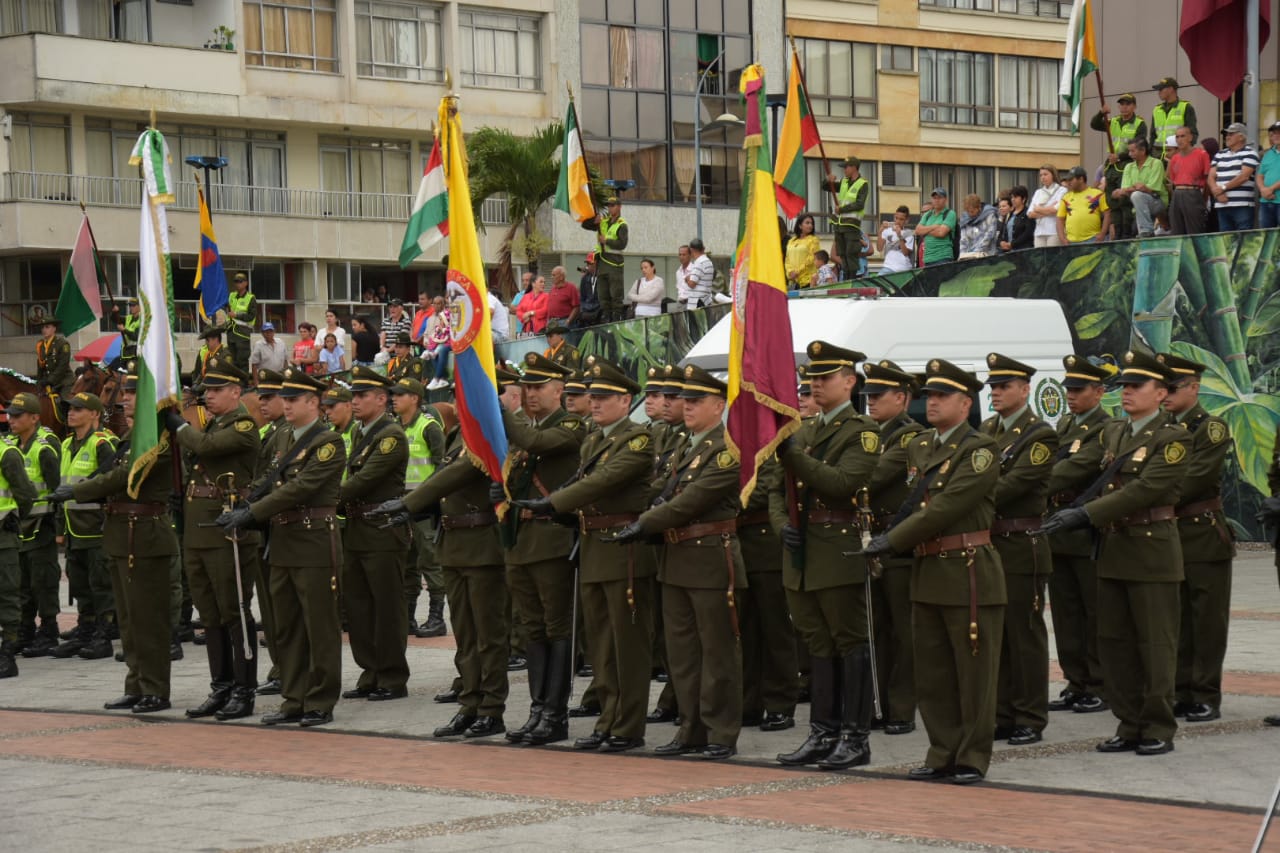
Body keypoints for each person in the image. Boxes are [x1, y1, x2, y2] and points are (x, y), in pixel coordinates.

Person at [863, 359, 1003, 785]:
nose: (933, 403)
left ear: (966, 403)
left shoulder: (980, 450)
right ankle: (941, 751)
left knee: (972, 671)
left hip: (967, 570)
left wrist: (891, 540)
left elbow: (945, 507)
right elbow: (909, 500)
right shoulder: (922, 446)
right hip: (927, 567)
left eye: (942, 396)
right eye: (930, 396)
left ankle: (972, 757)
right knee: (933, 670)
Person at [1040, 351, 1188, 756]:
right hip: (1113, 548)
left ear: (1161, 393)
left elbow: (1145, 490)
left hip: (1151, 550)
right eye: (1124, 386)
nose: (1127, 393)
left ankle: (1157, 726)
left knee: (1154, 644)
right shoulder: (1117, 433)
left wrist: (1083, 514)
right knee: (1116, 642)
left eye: (1136, 387)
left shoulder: (1173, 438)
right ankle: (1129, 722)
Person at [605, 365, 746, 761]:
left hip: (709, 560)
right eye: (685, 400)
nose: (687, 407)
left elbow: (691, 501)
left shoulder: (726, 449)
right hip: (676, 559)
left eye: (697, 401)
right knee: (682, 655)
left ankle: (720, 733)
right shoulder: (686, 445)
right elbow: (661, 490)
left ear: (719, 405)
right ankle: (691, 729)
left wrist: (642, 523)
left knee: (717, 652)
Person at [516, 357, 656, 753]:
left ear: (625, 400)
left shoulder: (637, 438)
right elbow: (584, 483)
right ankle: (608, 719)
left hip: (623, 549)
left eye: (603, 397)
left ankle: (627, 725)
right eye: (591, 396)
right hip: (594, 546)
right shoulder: (595, 440)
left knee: (626, 643)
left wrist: (552, 504)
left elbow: (601, 482)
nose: (593, 403)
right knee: (601, 645)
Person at [772, 342, 882, 771]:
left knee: (849, 642)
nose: (815, 384)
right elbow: (776, 488)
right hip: (802, 551)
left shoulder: (861, 432)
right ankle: (823, 731)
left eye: (825, 377)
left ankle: (855, 737)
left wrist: (793, 455)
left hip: (837, 550)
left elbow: (841, 483)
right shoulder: (804, 430)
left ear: (850, 381)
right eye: (812, 378)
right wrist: (782, 522)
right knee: (817, 643)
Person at [219, 368, 347, 728]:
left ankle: (320, 700)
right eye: (284, 400)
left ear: (313, 402)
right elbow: (269, 479)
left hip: (314, 541)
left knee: (319, 626)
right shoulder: (282, 437)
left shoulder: (329, 442)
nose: (285, 406)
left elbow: (301, 488)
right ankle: (294, 697)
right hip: (283, 541)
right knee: (287, 627)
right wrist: (241, 504)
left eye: (293, 400)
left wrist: (252, 513)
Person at [381, 403, 511, 740]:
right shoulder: (458, 437)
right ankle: (469, 704)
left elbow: (459, 473)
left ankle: (491, 709)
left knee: (488, 636)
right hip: (454, 544)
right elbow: (443, 480)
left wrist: (408, 503)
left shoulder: (486, 438)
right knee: (466, 636)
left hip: (482, 547)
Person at [58, 363, 179, 712]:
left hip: (145, 534)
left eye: (132, 394)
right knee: (128, 617)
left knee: (148, 617)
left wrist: (76, 492)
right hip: (120, 533)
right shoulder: (129, 437)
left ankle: (155, 688)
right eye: (123, 393)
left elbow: (126, 475)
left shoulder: (156, 436)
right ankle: (136, 683)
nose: (125, 400)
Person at [494, 353, 585, 746]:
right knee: (532, 627)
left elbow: (535, 442)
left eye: (537, 387)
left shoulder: (570, 425)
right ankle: (536, 709)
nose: (530, 394)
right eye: (526, 387)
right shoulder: (527, 428)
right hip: (522, 542)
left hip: (551, 540)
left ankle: (555, 713)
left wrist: (496, 408)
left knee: (557, 626)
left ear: (559, 390)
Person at [165, 356, 262, 721]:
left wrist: (177, 426)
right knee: (210, 615)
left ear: (236, 392)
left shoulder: (242, 426)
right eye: (206, 390)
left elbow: (204, 447)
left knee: (234, 611)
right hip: (199, 533)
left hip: (228, 535)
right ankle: (220, 687)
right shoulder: (216, 423)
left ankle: (243, 689)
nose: (209, 396)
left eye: (217, 390)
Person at [979, 354, 1057, 748]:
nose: (995, 392)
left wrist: (967, 496)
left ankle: (1030, 715)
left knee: (1024, 636)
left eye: (1004, 386)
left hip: (1021, 546)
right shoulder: (988, 428)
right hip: (993, 544)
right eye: (992, 386)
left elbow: (1012, 487)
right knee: (998, 635)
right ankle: (1004, 713)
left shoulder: (1039, 435)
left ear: (1025, 390)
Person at [1161, 353, 1235, 724]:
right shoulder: (1160, 429)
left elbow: (1195, 479)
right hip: (1170, 534)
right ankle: (1180, 690)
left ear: (1194, 387)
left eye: (1173, 388)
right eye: (1163, 388)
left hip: (1202, 534)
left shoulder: (1211, 428)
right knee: (1177, 620)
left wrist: (1151, 494)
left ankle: (1205, 693)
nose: (1166, 395)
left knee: (1206, 620)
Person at [1045, 356, 1115, 714]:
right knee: (1065, 613)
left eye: (1078, 389)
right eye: (1068, 389)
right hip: (1057, 529)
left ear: (1099, 392)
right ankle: (1076, 682)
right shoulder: (1066, 424)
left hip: (1084, 529)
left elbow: (1076, 468)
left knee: (1094, 612)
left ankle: (1099, 683)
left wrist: (1031, 481)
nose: (1070, 395)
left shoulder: (1105, 428)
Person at [338, 367, 412, 703]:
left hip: (382, 531)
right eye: (353, 395)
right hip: (356, 529)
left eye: (361, 396)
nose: (354, 401)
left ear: (382, 399)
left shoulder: (391, 435)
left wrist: (324, 496)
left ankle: (393, 676)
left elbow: (364, 480)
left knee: (386, 607)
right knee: (358, 607)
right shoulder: (360, 432)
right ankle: (370, 671)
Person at [861, 361, 922, 734]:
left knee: (902, 631)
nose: (870, 402)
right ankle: (877, 703)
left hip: (896, 541)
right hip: (871, 541)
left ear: (901, 398)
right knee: (876, 629)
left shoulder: (908, 438)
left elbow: (872, 477)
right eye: (868, 395)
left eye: (878, 395)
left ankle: (901, 708)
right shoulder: (872, 434)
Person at [52, 391, 118, 661]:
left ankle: (104, 634)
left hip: (96, 526)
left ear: (95, 414)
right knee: (79, 584)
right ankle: (86, 629)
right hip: (73, 527)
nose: (71, 413)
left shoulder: (104, 442)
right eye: (70, 408)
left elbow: (110, 480)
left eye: (78, 409)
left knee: (101, 584)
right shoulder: (67, 444)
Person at [390, 378, 447, 638]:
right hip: (402, 504)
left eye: (400, 395)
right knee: (407, 562)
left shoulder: (429, 426)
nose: (394, 398)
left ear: (414, 398)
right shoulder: (395, 428)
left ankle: (437, 617)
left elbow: (442, 467)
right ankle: (408, 616)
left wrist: (433, 499)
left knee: (430, 560)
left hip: (424, 504)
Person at [9, 393, 61, 659]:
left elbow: (57, 489)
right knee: (22, 583)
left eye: (18, 416)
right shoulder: (11, 444)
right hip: (18, 527)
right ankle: (25, 630)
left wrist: (61, 530)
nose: (12, 420)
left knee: (44, 581)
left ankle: (49, 630)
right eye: (10, 415)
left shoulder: (45, 446)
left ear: (34, 418)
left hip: (42, 524)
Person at [0, 427, 35, 678]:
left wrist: (11, 519)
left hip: (3, 537)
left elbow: (26, 495)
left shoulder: (7, 453)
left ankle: (7, 653)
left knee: (8, 594)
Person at [1090, 93, 1148, 239]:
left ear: (1134, 106)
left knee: (1125, 202)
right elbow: (1094, 125)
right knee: (1113, 202)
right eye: (1121, 104)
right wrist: (1101, 113)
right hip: (1111, 166)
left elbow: (1141, 147)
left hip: (1126, 165)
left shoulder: (1139, 123)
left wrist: (1120, 156)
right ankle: (1117, 234)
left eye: (1127, 104)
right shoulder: (1114, 121)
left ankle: (1126, 235)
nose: (1124, 107)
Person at [584, 197, 628, 323]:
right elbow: (585, 225)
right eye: (609, 206)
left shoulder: (622, 224)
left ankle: (616, 319)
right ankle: (606, 318)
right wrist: (594, 219)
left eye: (613, 205)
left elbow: (622, 244)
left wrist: (606, 241)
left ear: (619, 207)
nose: (610, 208)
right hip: (602, 263)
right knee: (603, 295)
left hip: (614, 263)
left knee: (615, 295)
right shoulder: (604, 221)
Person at [822, 158, 870, 274]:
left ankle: (852, 279)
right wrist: (827, 180)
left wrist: (842, 209)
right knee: (842, 253)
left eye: (846, 167)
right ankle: (846, 277)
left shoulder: (863, 183)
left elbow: (860, 204)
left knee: (851, 253)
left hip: (851, 225)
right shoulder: (844, 181)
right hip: (839, 224)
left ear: (854, 167)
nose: (844, 170)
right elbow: (827, 187)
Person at [1209, 122, 1259, 232]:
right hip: (1221, 203)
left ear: (1241, 137)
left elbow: (1244, 176)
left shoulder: (1250, 153)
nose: (1227, 137)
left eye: (1231, 134)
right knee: (1226, 240)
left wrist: (1222, 188)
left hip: (1242, 205)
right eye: (1226, 135)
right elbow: (1211, 177)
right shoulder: (1219, 154)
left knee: (1243, 239)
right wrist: (1217, 193)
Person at [1114, 138, 1168, 238]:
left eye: (1132, 151)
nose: (1129, 154)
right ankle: (1146, 232)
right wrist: (1134, 188)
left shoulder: (1156, 163)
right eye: (1129, 151)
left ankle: (1147, 231)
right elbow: (1125, 190)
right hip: (1139, 207)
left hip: (1157, 201)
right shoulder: (1128, 167)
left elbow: (1152, 189)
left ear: (1143, 150)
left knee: (1137, 195)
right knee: (1137, 195)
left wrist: (1132, 189)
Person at [1167, 126, 1212, 235]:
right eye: (1177, 137)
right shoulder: (1175, 158)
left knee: (1194, 230)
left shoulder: (1201, 154)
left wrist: (1204, 200)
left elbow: (1208, 179)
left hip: (1193, 193)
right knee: (1176, 231)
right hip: (1177, 193)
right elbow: (1171, 179)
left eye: (1183, 136)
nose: (1179, 139)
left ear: (1190, 138)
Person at [1056, 166, 1111, 244]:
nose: (1068, 182)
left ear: (1081, 179)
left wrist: (1102, 234)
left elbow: (1107, 213)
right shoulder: (1065, 197)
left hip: (1092, 239)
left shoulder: (1097, 194)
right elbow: (1059, 219)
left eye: (1071, 179)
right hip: (1071, 241)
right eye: (1068, 180)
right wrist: (1062, 239)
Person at [1151, 77, 1198, 159]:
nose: (1159, 92)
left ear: (1171, 89)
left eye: (1161, 89)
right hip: (1157, 155)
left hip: (1177, 154)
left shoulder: (1185, 107)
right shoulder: (1156, 109)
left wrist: (1182, 152)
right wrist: (1151, 153)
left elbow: (1192, 133)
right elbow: (1152, 135)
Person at [35, 317, 73, 405]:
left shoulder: (62, 344)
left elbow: (62, 366)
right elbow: (40, 366)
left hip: (64, 381)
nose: (44, 330)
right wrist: (39, 383)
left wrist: (50, 380)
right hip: (48, 383)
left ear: (54, 329)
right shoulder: (40, 345)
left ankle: (68, 418)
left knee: (65, 402)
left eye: (47, 327)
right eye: (42, 327)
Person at [1029, 165, 1068, 248]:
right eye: (1041, 175)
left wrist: (1039, 209)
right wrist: (1047, 210)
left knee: (1052, 258)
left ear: (1053, 175)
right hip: (1039, 232)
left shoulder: (1062, 190)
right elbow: (1030, 213)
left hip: (1054, 231)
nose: (1043, 177)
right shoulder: (1038, 192)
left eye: (1045, 174)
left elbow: (1056, 209)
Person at [915, 188, 957, 266]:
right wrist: (934, 227)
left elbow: (941, 233)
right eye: (934, 198)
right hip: (927, 258)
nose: (936, 200)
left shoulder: (950, 213)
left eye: (939, 198)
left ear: (945, 199)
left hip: (943, 257)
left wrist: (925, 231)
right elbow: (917, 231)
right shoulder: (927, 214)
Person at [226, 273, 257, 372]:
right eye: (236, 282)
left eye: (240, 282)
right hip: (231, 332)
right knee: (232, 360)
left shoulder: (250, 298)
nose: (237, 284)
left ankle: (244, 384)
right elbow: (225, 307)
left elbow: (251, 316)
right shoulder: (231, 295)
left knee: (242, 360)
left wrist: (236, 315)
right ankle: (235, 384)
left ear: (246, 283)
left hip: (243, 334)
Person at [957, 194, 999, 259]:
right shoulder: (965, 219)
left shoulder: (989, 215)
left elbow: (990, 235)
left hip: (987, 255)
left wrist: (977, 251)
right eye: (967, 211)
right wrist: (963, 253)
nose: (970, 214)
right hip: (969, 256)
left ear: (979, 207)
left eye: (972, 211)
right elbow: (963, 239)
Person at [786, 214, 823, 288]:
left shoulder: (813, 240)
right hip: (793, 280)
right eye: (807, 223)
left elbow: (812, 258)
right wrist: (790, 272)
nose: (810, 225)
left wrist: (796, 272)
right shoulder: (791, 241)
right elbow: (787, 259)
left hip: (808, 280)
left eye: (812, 223)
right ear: (800, 225)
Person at [423, 298, 452, 390]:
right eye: (434, 303)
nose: (435, 306)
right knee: (431, 351)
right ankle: (442, 378)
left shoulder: (448, 314)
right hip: (438, 340)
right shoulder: (431, 318)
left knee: (441, 350)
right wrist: (426, 340)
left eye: (438, 303)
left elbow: (449, 329)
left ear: (443, 304)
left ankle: (437, 378)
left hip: (449, 340)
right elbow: (427, 333)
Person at [878, 206, 916, 274]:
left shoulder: (909, 233)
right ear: (894, 217)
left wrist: (899, 235)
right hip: (887, 267)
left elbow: (906, 253)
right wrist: (880, 232)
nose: (898, 221)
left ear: (906, 220)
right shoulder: (887, 231)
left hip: (903, 269)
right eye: (896, 218)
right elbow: (879, 248)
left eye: (901, 219)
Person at [1257, 121, 1280, 228]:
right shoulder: (1268, 154)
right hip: (1266, 201)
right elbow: (1260, 175)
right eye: (1273, 133)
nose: (1275, 136)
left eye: (1279, 132)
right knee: (1267, 238)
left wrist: (1270, 189)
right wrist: (1263, 189)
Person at [683, 239, 715, 309]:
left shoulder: (699, 262)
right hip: (706, 299)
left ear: (691, 250)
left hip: (697, 301)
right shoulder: (708, 261)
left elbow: (692, 284)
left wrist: (687, 279)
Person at [1000, 186, 1034, 252]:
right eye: (1012, 197)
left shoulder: (1028, 213)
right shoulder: (1009, 214)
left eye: (1015, 197)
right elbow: (1003, 231)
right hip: (1010, 251)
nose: (1013, 199)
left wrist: (1012, 244)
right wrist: (1001, 242)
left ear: (1023, 199)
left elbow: (1028, 233)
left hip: (1023, 250)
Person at [577, 254, 602, 327]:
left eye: (590, 263)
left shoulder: (603, 278)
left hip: (600, 313)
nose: (588, 266)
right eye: (587, 263)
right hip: (587, 313)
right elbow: (582, 297)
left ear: (597, 264)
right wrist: (583, 310)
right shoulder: (585, 278)